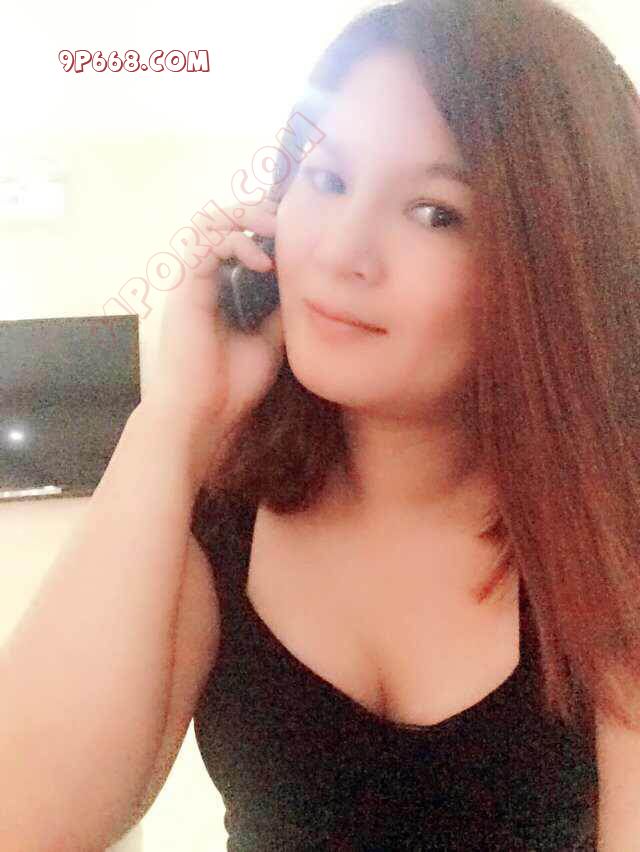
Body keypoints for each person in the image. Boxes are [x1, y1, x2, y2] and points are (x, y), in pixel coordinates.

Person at [2, 0, 639, 849]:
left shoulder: (610, 534)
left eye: (434, 212)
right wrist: (172, 421)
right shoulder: (217, 520)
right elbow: (28, 822)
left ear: (555, 261)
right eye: (328, 180)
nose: (340, 251)